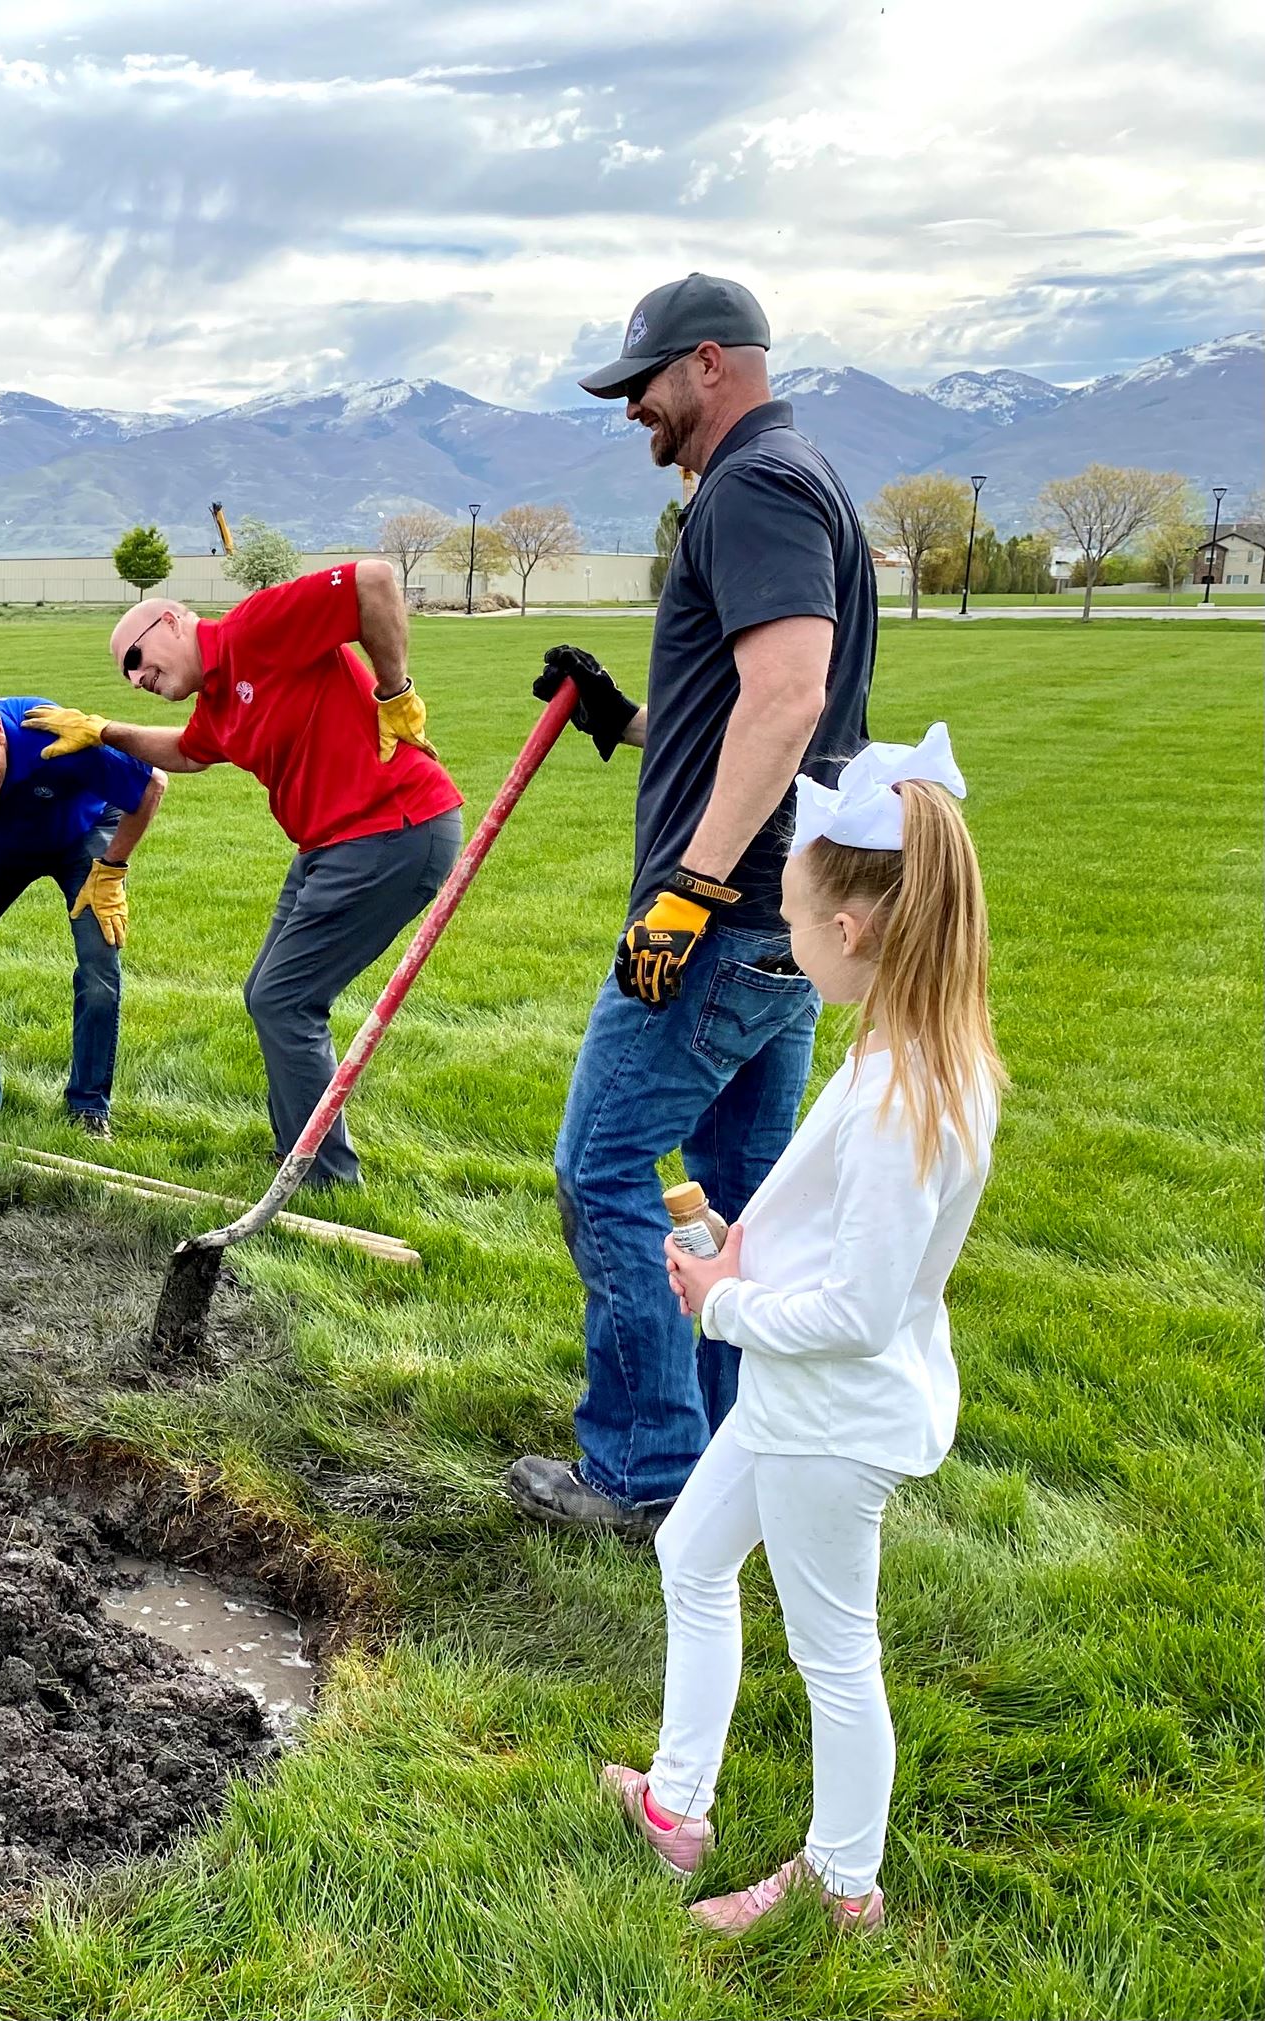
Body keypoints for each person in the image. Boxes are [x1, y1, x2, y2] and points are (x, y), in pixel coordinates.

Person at [600, 725, 1001, 1938]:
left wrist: (722, 1304)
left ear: (855, 929)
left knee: (834, 1649)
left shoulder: (898, 1094)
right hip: (791, 1397)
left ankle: (841, 1883)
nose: (780, 938)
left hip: (831, 1415)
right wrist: (739, 1244)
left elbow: (863, 1307)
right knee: (689, 1554)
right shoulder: (901, 1046)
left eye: (789, 916)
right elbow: (837, 1240)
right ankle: (676, 1805)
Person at [509, 274, 878, 1539]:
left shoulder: (752, 487)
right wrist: (620, 719)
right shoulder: (798, 474)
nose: (632, 414)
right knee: (741, 1186)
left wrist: (686, 888)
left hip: (728, 916)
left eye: (642, 388)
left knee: (600, 1163)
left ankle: (642, 1467)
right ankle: (733, 1451)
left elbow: (787, 696)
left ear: (708, 364)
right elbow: (742, 708)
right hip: (785, 911)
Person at [32, 560, 460, 1186]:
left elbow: (373, 581)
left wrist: (393, 692)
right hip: (330, 843)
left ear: (173, 620)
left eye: (139, 657)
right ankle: (299, 1149)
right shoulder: (217, 704)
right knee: (267, 991)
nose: (138, 677)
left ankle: (323, 1179)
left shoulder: (255, 628)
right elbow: (186, 751)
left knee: (284, 999)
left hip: (393, 827)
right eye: (128, 674)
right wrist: (104, 731)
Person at [0, 690, 166, 1136]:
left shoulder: (51, 737)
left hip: (86, 829)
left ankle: (88, 1108)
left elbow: (152, 783)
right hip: (1, 837)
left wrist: (112, 869)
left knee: (99, 967)